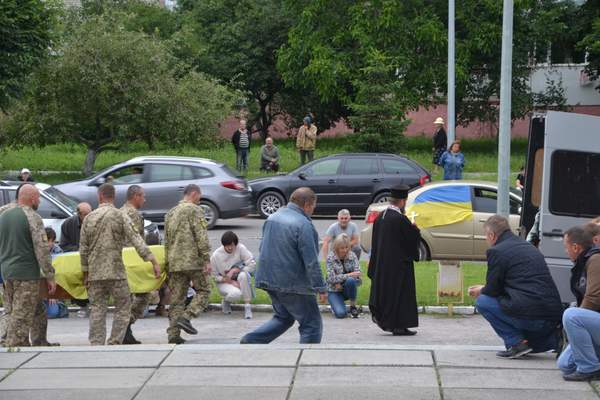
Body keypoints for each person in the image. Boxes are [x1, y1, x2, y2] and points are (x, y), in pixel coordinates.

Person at [468, 215, 563, 359]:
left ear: (492, 235)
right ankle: (554, 340)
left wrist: (480, 290)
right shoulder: (528, 247)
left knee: (483, 301)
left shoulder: (497, 251)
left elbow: (492, 290)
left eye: (486, 236)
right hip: (552, 317)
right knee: (532, 342)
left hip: (532, 317)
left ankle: (516, 343)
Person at [241, 187, 327, 344]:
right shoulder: (304, 224)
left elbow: (263, 248)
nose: (313, 210)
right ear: (307, 204)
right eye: (313, 206)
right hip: (292, 283)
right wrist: (320, 287)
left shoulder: (273, 217)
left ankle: (251, 341)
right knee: (311, 325)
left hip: (268, 278)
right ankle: (306, 359)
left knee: (284, 317)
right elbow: (311, 261)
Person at [79, 183, 160, 346]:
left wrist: (85, 273)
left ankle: (96, 342)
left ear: (100, 196)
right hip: (116, 273)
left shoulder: (89, 218)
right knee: (123, 307)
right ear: (113, 197)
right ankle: (115, 341)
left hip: (95, 273)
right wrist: (152, 259)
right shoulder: (120, 216)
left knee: (97, 309)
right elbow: (136, 239)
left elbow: (83, 249)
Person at [0, 184, 56, 347]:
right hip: (26, 275)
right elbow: (42, 249)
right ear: (31, 198)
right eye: (38, 197)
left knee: (27, 310)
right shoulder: (32, 217)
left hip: (7, 272)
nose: (39, 201)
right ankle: (12, 346)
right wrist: (50, 275)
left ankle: (37, 341)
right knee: (21, 315)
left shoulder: (4, 215)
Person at [368, 184, 421, 336]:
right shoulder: (400, 219)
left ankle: (389, 322)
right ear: (403, 201)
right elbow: (410, 240)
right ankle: (399, 325)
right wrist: (415, 230)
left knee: (388, 293)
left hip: (382, 264)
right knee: (400, 295)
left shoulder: (381, 217)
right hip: (398, 266)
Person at [164, 184, 212, 344]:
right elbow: (201, 236)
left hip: (175, 262)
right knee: (204, 290)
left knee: (177, 299)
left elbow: (167, 241)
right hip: (193, 261)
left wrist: (167, 264)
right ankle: (187, 316)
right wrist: (206, 259)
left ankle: (173, 334)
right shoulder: (195, 210)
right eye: (199, 196)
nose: (200, 199)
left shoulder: (170, 213)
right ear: (193, 194)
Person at [557, 225, 600, 381]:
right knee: (564, 364)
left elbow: (594, 297)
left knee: (572, 315)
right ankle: (592, 363)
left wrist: (575, 320)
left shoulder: (595, 259)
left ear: (575, 247)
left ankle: (590, 368)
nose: (565, 251)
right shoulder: (586, 261)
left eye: (566, 247)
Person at [120, 185, 152, 345]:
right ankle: (125, 326)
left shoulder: (120, 211)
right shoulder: (133, 214)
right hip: (133, 261)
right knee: (144, 295)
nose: (144, 200)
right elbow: (138, 240)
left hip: (121, 261)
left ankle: (126, 330)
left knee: (127, 299)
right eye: (143, 196)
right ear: (136, 196)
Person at [210, 231, 256, 319]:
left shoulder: (241, 248)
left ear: (236, 244)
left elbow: (252, 264)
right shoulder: (216, 256)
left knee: (244, 275)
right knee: (236, 294)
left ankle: (247, 306)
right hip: (224, 282)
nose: (230, 248)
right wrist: (230, 281)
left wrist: (236, 270)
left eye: (232, 245)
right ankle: (226, 301)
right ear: (223, 245)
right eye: (228, 245)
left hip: (239, 278)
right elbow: (214, 276)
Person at [326, 234, 361, 319]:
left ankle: (353, 306)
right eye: (342, 248)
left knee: (351, 281)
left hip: (347, 288)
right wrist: (349, 275)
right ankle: (336, 305)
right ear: (336, 247)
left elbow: (358, 274)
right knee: (341, 314)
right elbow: (331, 278)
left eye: (347, 247)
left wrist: (339, 280)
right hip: (334, 290)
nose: (345, 250)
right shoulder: (330, 257)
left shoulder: (352, 255)